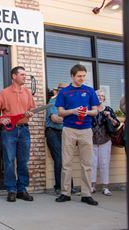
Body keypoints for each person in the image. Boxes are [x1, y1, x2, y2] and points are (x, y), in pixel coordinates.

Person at [55, 64, 99, 206]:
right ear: (72, 76)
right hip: (69, 129)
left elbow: (95, 111)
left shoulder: (90, 91)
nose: (82, 78)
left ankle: (86, 194)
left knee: (87, 163)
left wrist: (86, 112)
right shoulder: (64, 92)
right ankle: (65, 193)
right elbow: (60, 112)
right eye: (79, 76)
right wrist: (72, 111)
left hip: (86, 129)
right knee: (66, 163)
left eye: (84, 76)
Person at [0, 66, 36, 202]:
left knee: (23, 161)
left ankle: (22, 189)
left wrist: (30, 112)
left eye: (25, 74)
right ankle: (11, 189)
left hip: (24, 130)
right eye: (22, 74)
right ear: (14, 76)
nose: (25, 77)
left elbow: (32, 108)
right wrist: (0, 118)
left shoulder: (27, 92)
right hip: (9, 131)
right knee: (9, 161)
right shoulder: (4, 93)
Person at [91, 89, 119, 196]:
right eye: (98, 95)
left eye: (102, 96)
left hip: (105, 140)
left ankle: (105, 187)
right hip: (92, 140)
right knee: (92, 164)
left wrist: (110, 117)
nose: (100, 97)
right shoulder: (90, 109)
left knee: (104, 163)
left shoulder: (109, 109)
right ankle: (92, 186)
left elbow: (116, 124)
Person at [45, 83, 68, 195]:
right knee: (59, 158)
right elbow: (55, 118)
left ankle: (68, 187)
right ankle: (58, 187)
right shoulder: (53, 102)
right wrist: (69, 118)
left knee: (66, 159)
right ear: (59, 90)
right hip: (52, 132)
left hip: (64, 132)